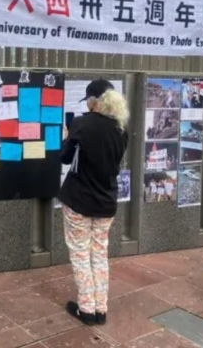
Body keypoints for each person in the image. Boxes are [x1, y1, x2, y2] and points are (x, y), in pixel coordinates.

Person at [58, 79, 129, 326]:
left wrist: (67, 138)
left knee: (80, 253)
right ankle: (101, 308)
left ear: (92, 102)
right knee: (99, 254)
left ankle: (86, 309)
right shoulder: (121, 129)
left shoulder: (81, 123)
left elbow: (65, 159)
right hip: (106, 202)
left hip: (79, 201)